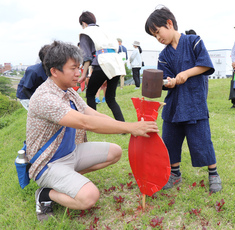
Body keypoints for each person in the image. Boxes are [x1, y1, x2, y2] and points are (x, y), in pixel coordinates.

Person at [27, 40, 159, 221]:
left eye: (79, 67)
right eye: (73, 68)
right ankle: (45, 194)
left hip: (71, 154)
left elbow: (92, 114)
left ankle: (68, 181)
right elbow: (85, 122)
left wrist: (129, 128)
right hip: (48, 163)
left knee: (115, 152)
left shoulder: (67, 91)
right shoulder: (45, 98)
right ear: (54, 71)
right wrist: (130, 127)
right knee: (89, 197)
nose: (78, 73)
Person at [145, 6, 222, 193]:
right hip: (174, 104)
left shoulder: (193, 41)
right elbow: (167, 79)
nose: (158, 38)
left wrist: (186, 74)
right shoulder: (163, 55)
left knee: (202, 139)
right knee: (170, 139)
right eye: (154, 36)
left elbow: (205, 65)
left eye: (158, 32)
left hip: (195, 101)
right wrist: (169, 83)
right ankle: (175, 173)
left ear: (169, 24)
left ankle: (213, 173)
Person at [78, 11, 125, 121]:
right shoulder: (105, 31)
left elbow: (87, 57)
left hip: (102, 64)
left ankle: (94, 123)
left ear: (83, 23)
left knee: (90, 94)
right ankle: (122, 125)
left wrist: (84, 74)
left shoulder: (86, 32)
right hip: (116, 64)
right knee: (110, 98)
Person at [16, 45, 50, 110]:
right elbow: (25, 89)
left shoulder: (51, 69)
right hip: (26, 96)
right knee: (37, 112)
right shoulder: (33, 71)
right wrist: (35, 102)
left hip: (37, 93)